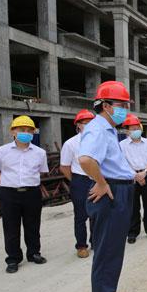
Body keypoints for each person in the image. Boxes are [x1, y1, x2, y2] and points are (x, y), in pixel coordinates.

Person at [78, 81, 136, 292]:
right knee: (106, 253)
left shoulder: (108, 129)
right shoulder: (98, 129)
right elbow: (85, 159)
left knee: (114, 250)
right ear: (105, 105)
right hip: (111, 193)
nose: (124, 109)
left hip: (119, 190)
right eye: (121, 105)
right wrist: (101, 183)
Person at [0, 115, 49, 273]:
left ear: (34, 132)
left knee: (33, 225)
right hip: (9, 193)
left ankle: (34, 253)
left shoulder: (40, 153)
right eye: (22, 129)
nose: (26, 133)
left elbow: (41, 172)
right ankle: (13, 258)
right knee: (11, 227)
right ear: (13, 132)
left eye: (29, 130)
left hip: (32, 192)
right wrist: (9, 182)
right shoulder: (0, 152)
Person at [119, 114, 147, 244]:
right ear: (127, 131)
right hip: (130, 178)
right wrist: (135, 175)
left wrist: (145, 172)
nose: (136, 130)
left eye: (137, 128)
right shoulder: (122, 145)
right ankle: (133, 232)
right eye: (132, 129)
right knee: (133, 206)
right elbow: (122, 163)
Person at [60, 109, 95, 258]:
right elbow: (64, 166)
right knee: (81, 215)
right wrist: (75, 181)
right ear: (78, 125)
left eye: (91, 123)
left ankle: (96, 241)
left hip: (98, 179)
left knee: (97, 213)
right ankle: (81, 246)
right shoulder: (71, 144)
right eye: (85, 123)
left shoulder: (100, 141)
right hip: (80, 180)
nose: (88, 125)